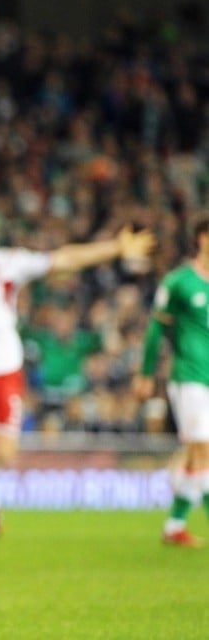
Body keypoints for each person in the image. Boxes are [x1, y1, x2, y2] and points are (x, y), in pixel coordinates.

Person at [0, 207, 154, 539]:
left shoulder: (9, 264)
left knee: (4, 454)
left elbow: (64, 259)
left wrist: (116, 248)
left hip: (4, 368)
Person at [133, 214, 209, 548]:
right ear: (202, 238)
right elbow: (155, 329)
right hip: (189, 376)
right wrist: (146, 372)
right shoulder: (179, 282)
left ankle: (174, 526)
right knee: (201, 448)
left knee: (198, 454)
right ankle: (177, 524)